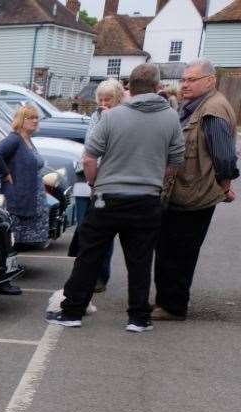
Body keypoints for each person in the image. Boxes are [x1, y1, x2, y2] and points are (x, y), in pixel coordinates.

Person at [46, 63, 183, 331]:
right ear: (157, 88)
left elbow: (89, 158)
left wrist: (95, 182)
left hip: (108, 197)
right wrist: (157, 179)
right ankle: (138, 318)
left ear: (129, 87)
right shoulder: (170, 118)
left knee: (90, 256)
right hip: (147, 198)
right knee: (140, 260)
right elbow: (176, 160)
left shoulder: (112, 117)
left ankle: (72, 311)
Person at [153, 58, 237, 321]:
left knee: (180, 251)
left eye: (192, 80)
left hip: (194, 195)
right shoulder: (195, 106)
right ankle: (166, 301)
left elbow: (224, 157)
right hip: (183, 192)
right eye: (184, 79)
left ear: (210, 81)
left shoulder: (213, 110)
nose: (185, 84)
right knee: (168, 248)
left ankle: (173, 306)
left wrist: (225, 185)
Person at [0, 105, 50, 295]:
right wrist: (6, 173)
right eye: (31, 117)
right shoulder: (14, 139)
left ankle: (7, 276)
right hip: (15, 198)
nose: (35, 121)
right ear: (21, 120)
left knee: (13, 241)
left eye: (37, 117)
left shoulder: (28, 140)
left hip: (27, 196)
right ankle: (0, 281)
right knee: (8, 240)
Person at [71, 79, 125, 295]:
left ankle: (101, 276)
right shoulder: (96, 116)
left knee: (104, 231)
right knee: (85, 228)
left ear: (118, 99)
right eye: (101, 99)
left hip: (109, 180)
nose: (104, 103)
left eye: (108, 99)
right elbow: (90, 146)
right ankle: (85, 274)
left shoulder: (123, 118)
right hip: (88, 179)